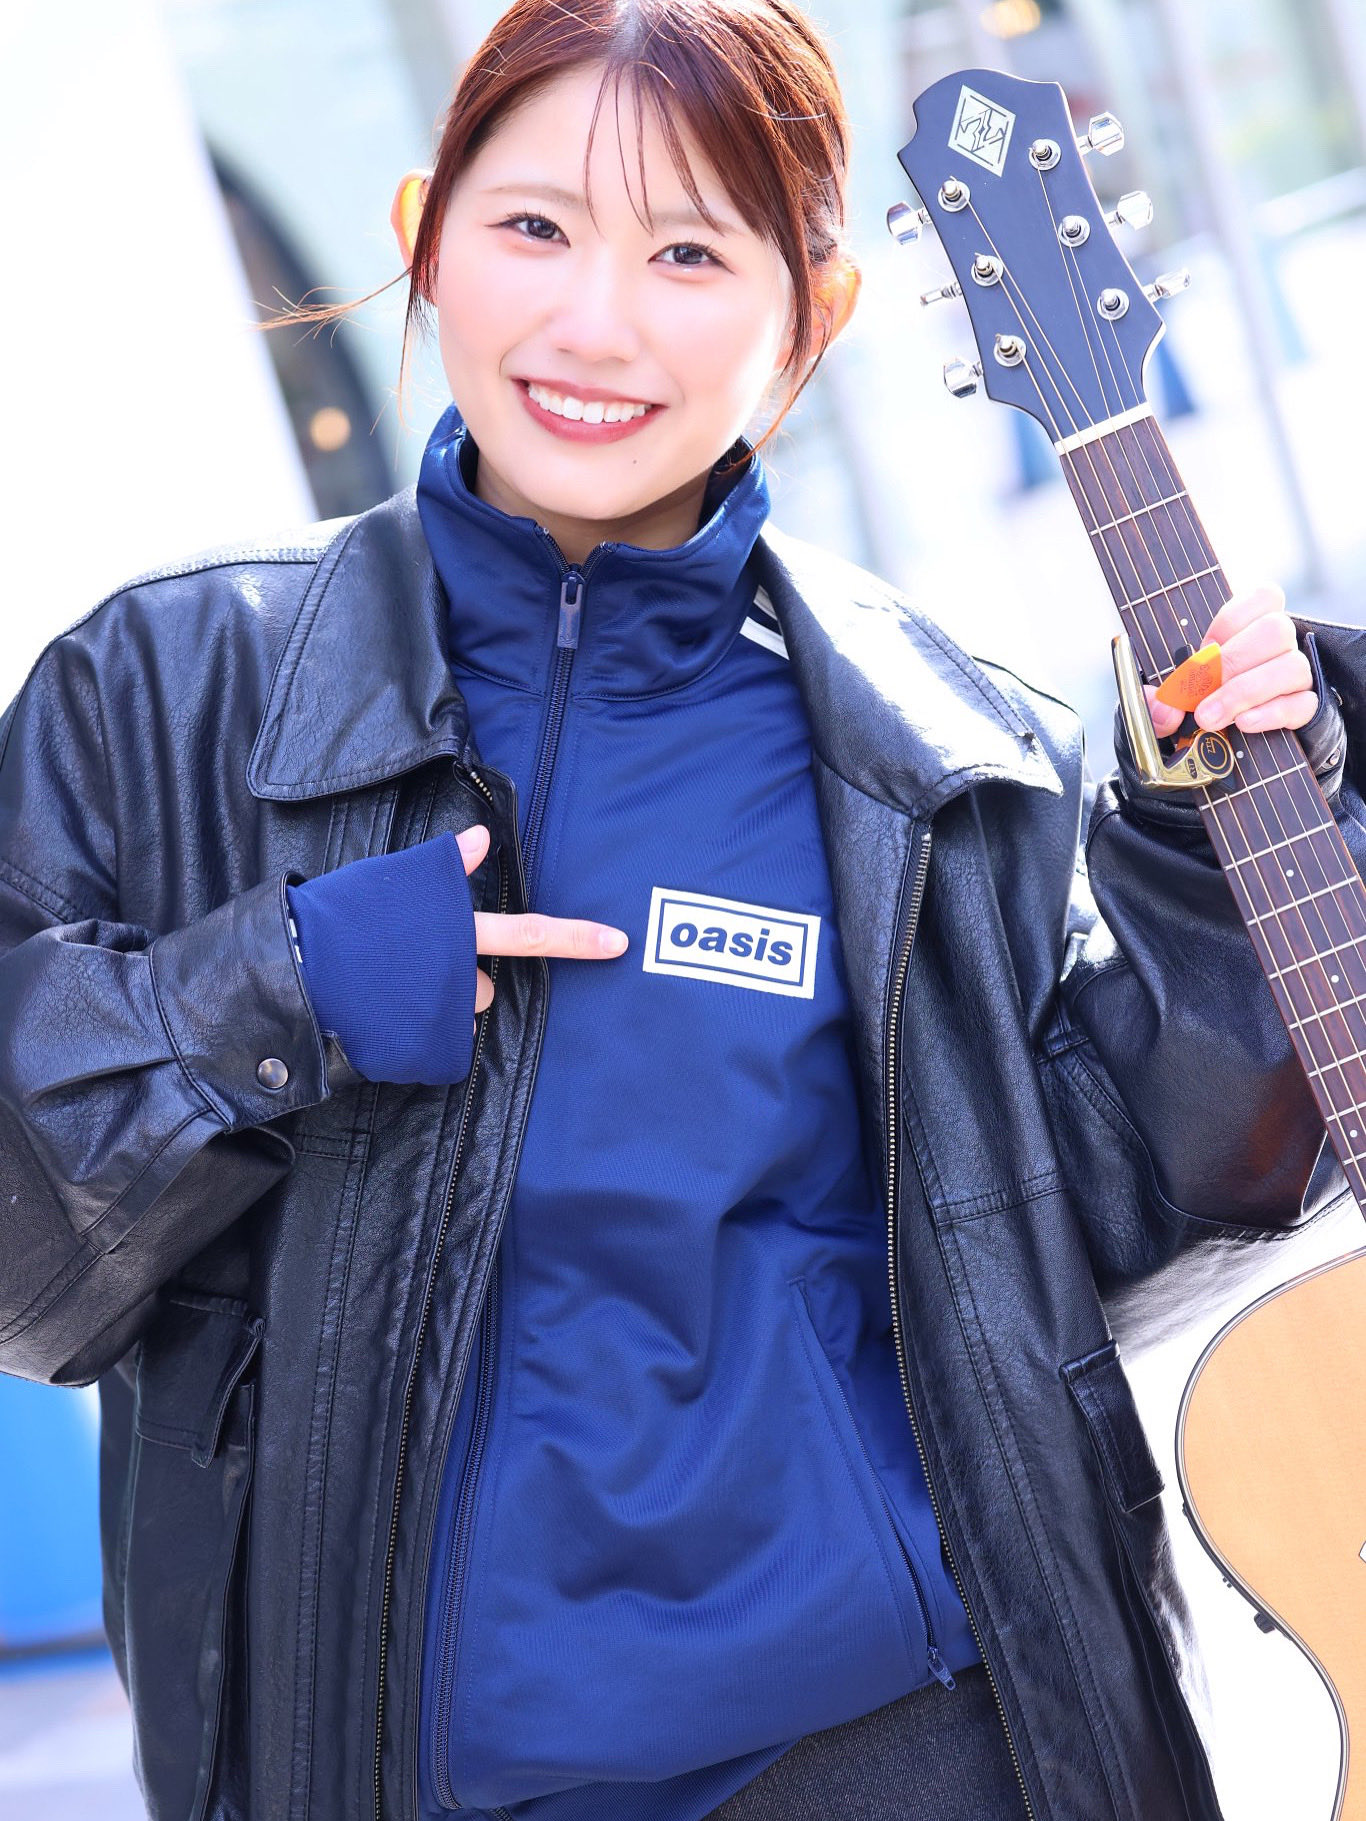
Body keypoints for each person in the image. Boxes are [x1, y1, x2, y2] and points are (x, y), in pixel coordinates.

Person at [0, 2, 1357, 1818]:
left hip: (906, 1746)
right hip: (402, 1771)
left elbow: (1122, 1221)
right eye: (533, 225)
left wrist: (1207, 842)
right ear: (422, 234)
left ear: (816, 314)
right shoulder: (160, 699)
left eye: (690, 253)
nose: (595, 322)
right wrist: (275, 993)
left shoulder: (944, 754)